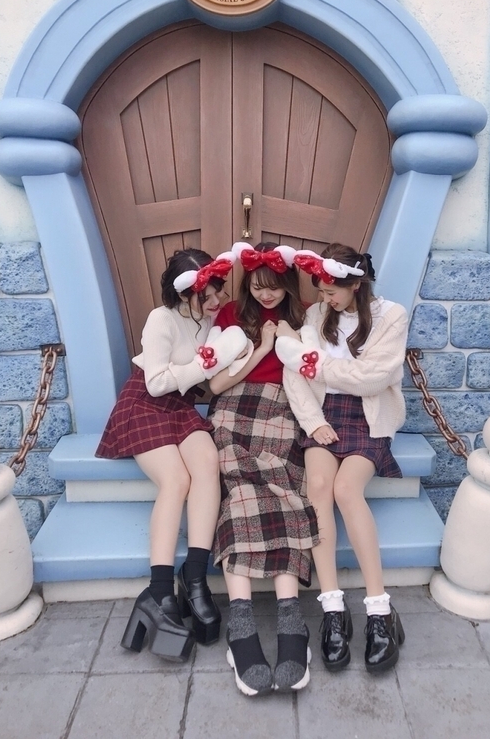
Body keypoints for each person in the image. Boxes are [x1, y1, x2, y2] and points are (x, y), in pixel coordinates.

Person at [96, 248, 249, 660]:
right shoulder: (160, 320)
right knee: (176, 480)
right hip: (144, 404)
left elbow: (209, 377)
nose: (215, 302)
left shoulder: (212, 321)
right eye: (206, 296)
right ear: (184, 294)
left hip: (180, 408)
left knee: (208, 462)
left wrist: (241, 351)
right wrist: (207, 364)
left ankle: (195, 576)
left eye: (218, 292)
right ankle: (159, 591)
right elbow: (157, 383)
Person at [276, 243, 407, 674]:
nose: (324, 298)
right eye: (321, 290)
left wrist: (317, 366)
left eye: (332, 291)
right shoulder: (316, 315)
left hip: (369, 418)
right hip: (323, 415)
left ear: (356, 285)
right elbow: (294, 373)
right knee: (317, 488)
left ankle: (379, 609)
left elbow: (373, 379)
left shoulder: (392, 316)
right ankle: (332, 608)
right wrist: (313, 422)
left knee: (347, 490)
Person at [208, 241, 319, 696]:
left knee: (285, 489)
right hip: (233, 410)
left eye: (274, 286)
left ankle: (292, 619)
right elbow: (216, 384)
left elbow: (314, 372)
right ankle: (241, 624)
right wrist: (263, 348)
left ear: (287, 283)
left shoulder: (306, 316)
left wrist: (292, 337)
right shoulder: (231, 315)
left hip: (284, 409)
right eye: (257, 286)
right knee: (239, 494)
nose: (266, 295)